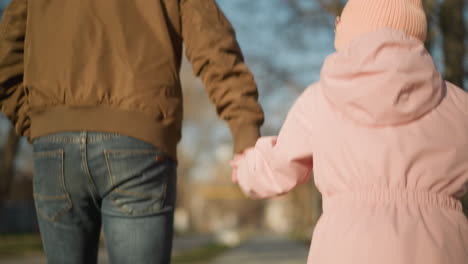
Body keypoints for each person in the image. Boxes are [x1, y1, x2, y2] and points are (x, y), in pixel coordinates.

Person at [0, 0, 264, 263]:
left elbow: (5, 58)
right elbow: (213, 44)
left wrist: (40, 125)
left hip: (55, 147)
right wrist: (245, 129)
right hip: (138, 143)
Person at [231, 0, 468, 263]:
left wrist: (246, 168)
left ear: (346, 32)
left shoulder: (320, 99)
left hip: (345, 247)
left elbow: (277, 167)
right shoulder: (458, 105)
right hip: (440, 248)